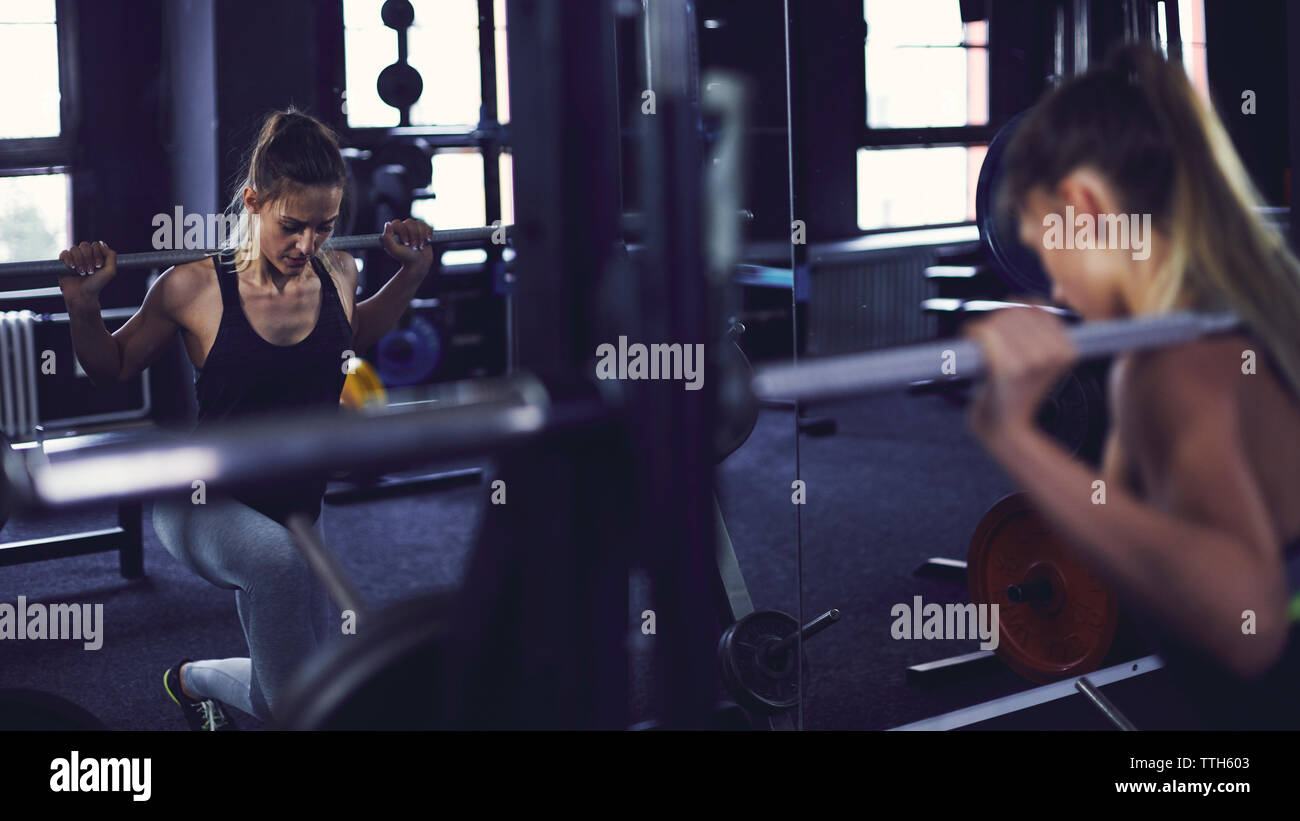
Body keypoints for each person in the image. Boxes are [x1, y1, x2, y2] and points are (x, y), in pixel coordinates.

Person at [57, 108, 436, 729]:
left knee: (294, 689)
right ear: (254, 202)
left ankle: (193, 680)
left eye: (324, 227)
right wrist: (82, 309)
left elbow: (354, 332)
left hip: (298, 509)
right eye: (292, 226)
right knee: (298, 650)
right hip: (206, 502)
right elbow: (114, 366)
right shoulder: (191, 287)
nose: (306, 245)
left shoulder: (339, 270)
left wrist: (411, 273)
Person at [964, 44, 1300, 728]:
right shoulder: (1255, 300)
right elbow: (1135, 525)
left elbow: (1251, 624)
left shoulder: (1172, 365)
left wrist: (1012, 436)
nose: (1055, 288)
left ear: (1085, 208)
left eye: (1047, 248)